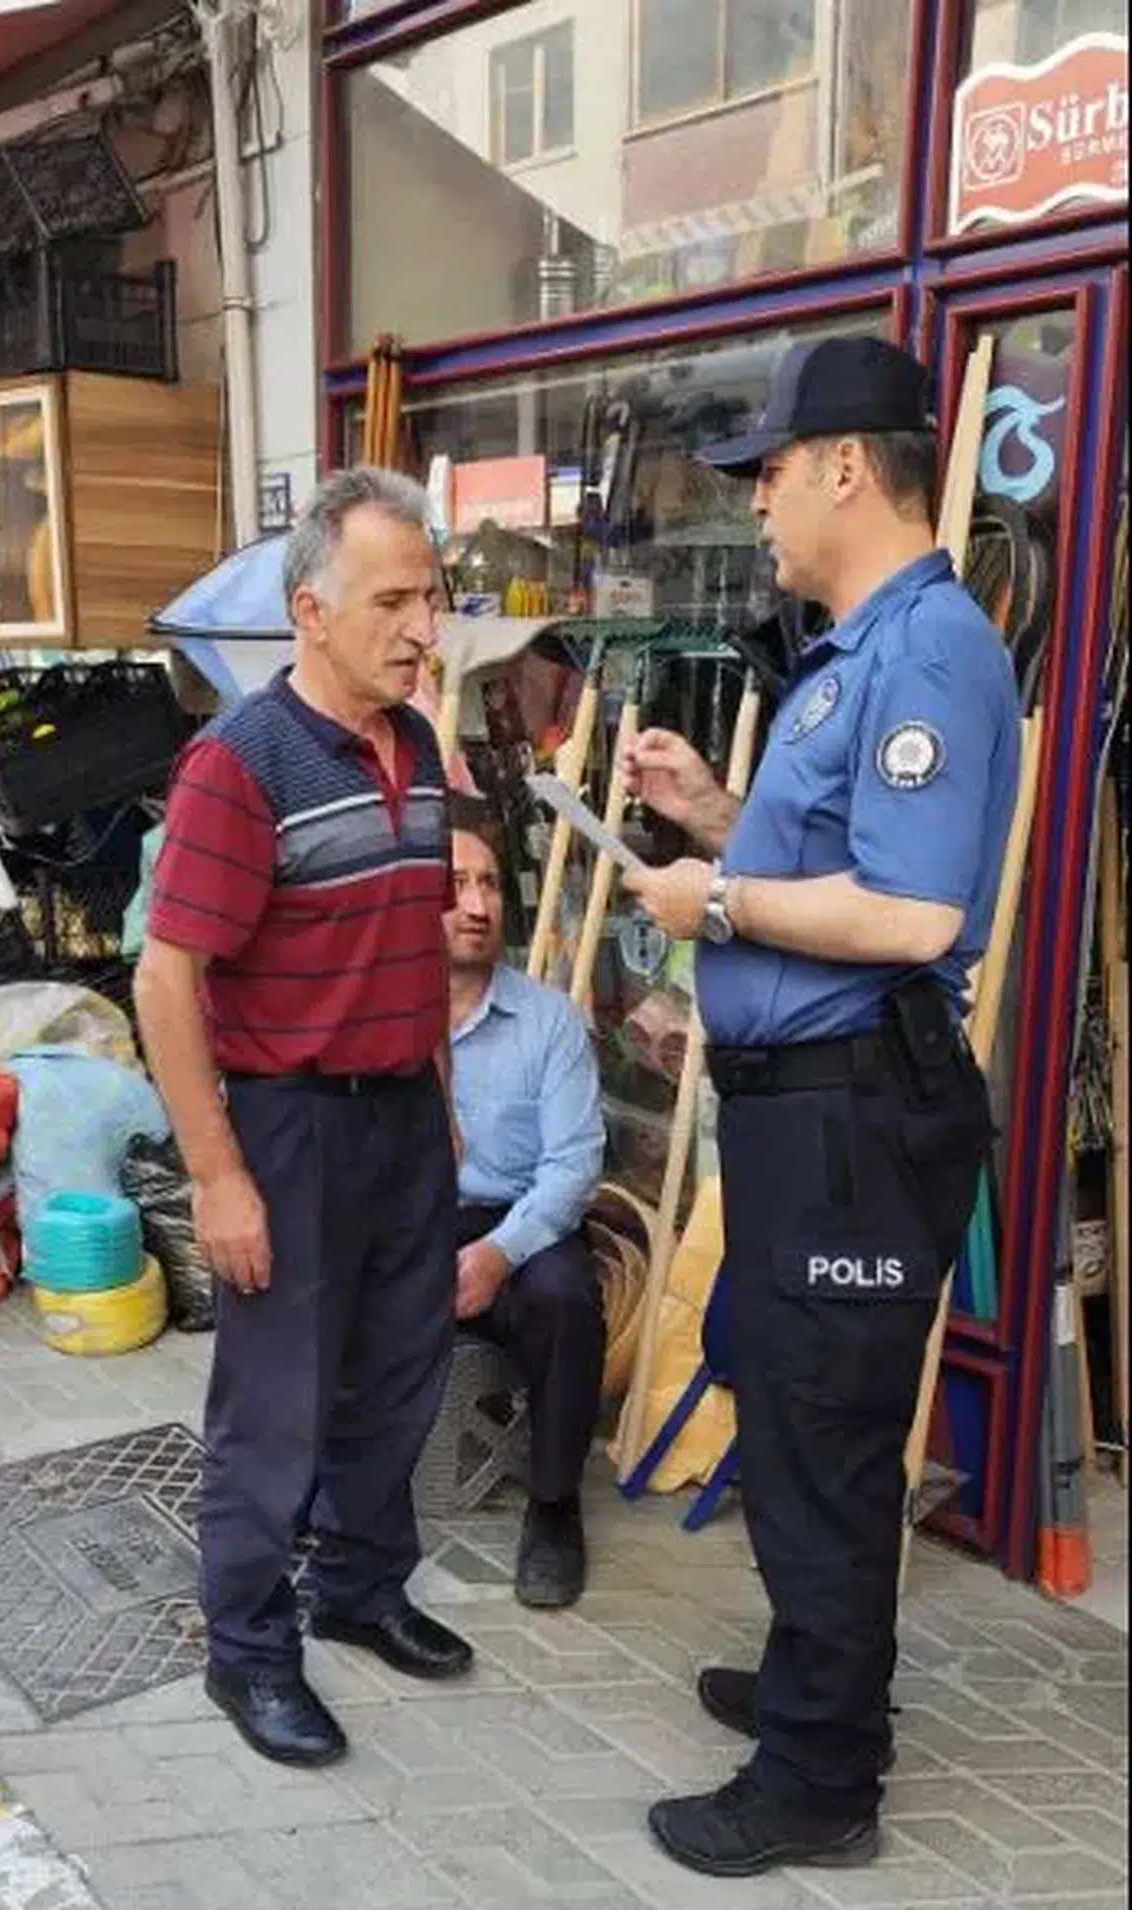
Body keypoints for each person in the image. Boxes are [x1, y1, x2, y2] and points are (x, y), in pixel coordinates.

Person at [618, 336, 1021, 1879]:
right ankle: (814, 1684)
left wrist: (711, 901)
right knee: (786, 1402)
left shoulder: (923, 653)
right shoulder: (857, 645)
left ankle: (819, 1780)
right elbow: (842, 862)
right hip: (812, 1115)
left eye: (772, 474)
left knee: (829, 1437)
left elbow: (914, 917)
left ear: (849, 465)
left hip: (856, 1116)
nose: (761, 507)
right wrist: (714, 821)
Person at [134, 467, 473, 1773]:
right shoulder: (240, 764)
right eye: (392, 599)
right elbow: (167, 980)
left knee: (401, 1373)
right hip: (286, 1126)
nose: (421, 626)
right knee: (274, 1404)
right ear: (310, 611)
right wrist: (217, 1175)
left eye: (430, 597)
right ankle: (251, 1649)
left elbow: (419, 945)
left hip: (399, 1116)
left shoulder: (423, 746)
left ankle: (363, 1584)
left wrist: (438, 1106)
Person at [444, 809, 607, 1608]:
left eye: (488, 885)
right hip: (414, 1219)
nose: (478, 906)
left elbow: (574, 1166)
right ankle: (317, 1482)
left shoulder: (548, 1022)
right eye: (454, 887)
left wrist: (499, 1252)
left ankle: (553, 1504)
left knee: (565, 1296)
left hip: (518, 1223)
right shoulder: (383, 1015)